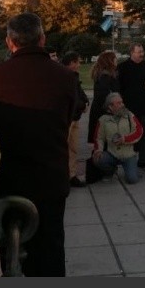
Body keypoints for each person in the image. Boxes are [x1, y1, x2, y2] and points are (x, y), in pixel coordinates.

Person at [0, 13, 77, 277]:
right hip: (50, 177)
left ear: (9, 42)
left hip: (10, 181)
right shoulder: (64, 76)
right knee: (51, 249)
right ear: (42, 39)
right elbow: (68, 117)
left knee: (11, 251)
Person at [117, 43, 145, 169]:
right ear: (131, 53)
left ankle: (144, 160)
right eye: (139, 52)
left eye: (142, 51)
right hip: (129, 108)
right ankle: (129, 159)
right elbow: (118, 87)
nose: (142, 54)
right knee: (130, 134)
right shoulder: (123, 67)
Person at [92, 92, 144, 184]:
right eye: (119, 103)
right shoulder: (103, 119)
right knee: (98, 159)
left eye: (122, 102)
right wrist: (98, 150)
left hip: (128, 155)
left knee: (132, 180)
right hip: (112, 153)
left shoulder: (129, 115)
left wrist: (125, 139)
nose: (122, 105)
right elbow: (98, 137)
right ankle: (110, 171)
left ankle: (132, 169)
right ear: (110, 107)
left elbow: (139, 131)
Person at [62, 51, 90, 188]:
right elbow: (69, 97)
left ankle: (71, 175)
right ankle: (63, 176)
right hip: (67, 118)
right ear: (72, 63)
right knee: (64, 148)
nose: (79, 65)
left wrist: (85, 102)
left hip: (76, 117)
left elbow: (79, 92)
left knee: (73, 148)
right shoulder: (63, 76)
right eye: (77, 62)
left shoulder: (74, 76)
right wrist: (82, 104)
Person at [87, 51, 120, 145]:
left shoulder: (105, 75)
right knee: (103, 141)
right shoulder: (105, 76)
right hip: (105, 113)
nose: (116, 60)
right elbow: (104, 96)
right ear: (109, 61)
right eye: (114, 58)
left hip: (101, 111)